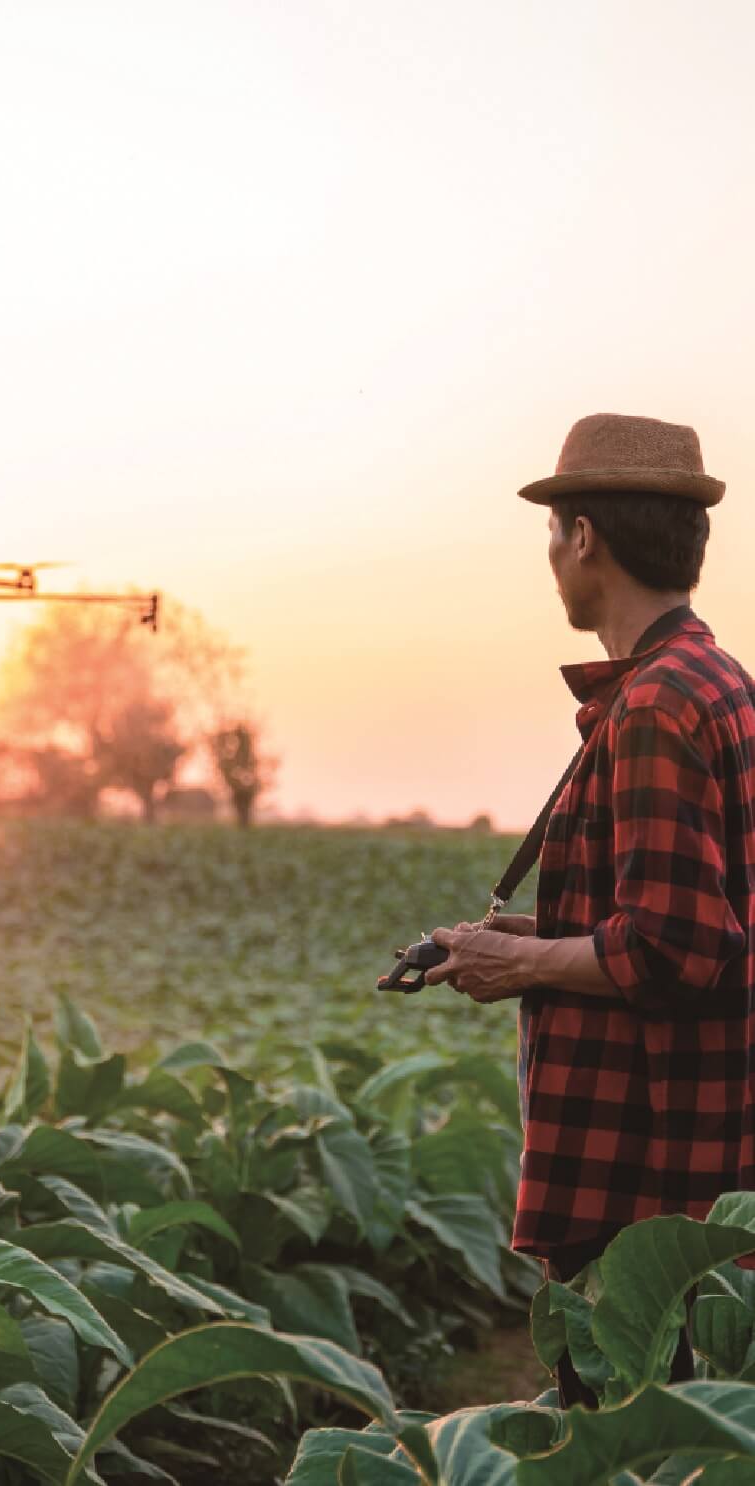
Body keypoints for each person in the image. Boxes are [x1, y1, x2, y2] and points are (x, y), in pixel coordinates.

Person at [425, 412, 755, 1407]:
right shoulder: (717, 682)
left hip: (643, 1183)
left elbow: (673, 947)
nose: (550, 560)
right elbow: (703, 917)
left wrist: (520, 967)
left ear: (582, 538)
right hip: (702, 1166)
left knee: (628, 1441)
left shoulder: (653, 704)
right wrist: (516, 938)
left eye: (552, 534)